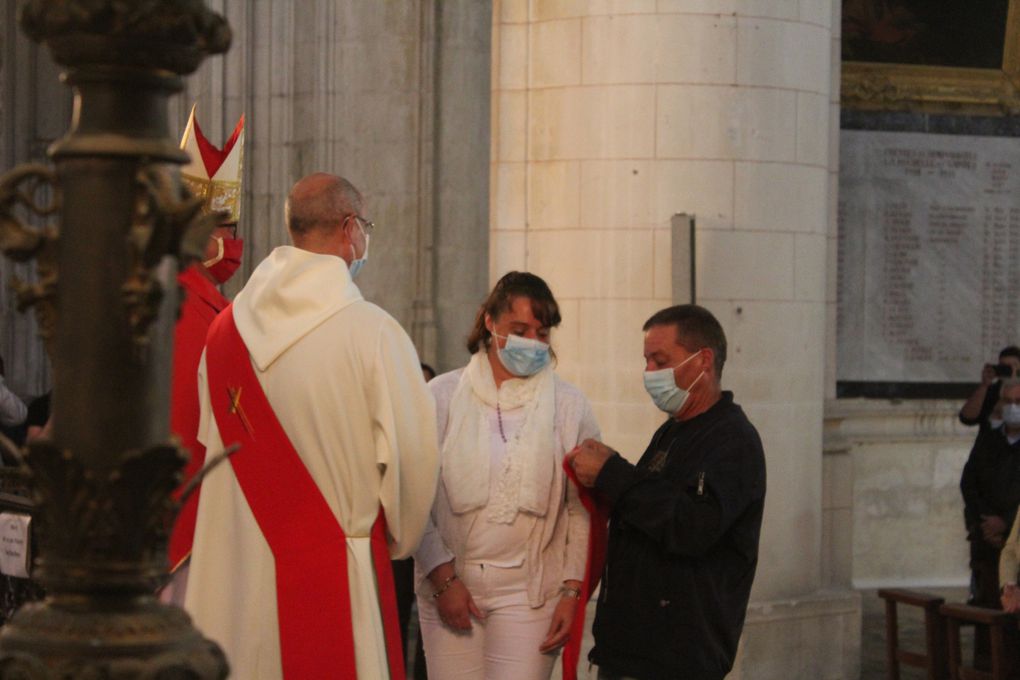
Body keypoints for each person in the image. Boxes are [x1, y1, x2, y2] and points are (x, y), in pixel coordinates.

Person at [184, 173, 440, 680]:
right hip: (333, 578)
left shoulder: (222, 333)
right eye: (365, 226)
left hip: (230, 579)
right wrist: (389, 542)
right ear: (350, 229)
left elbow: (206, 443)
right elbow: (411, 467)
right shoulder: (375, 335)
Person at [415, 271, 600, 680]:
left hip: (531, 594)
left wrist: (572, 592)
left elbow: (579, 510)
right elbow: (414, 497)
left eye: (542, 332)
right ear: (489, 323)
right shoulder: (441, 396)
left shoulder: (569, 406)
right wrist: (443, 580)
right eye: (519, 330)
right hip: (450, 582)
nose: (531, 343)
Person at [568, 304, 766, 680]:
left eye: (660, 361)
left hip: (677, 657)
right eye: (647, 362)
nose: (649, 374)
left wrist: (613, 473)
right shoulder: (673, 431)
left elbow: (692, 526)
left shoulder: (732, 440)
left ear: (703, 360)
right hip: (630, 649)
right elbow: (648, 502)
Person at [164, 105, 245, 603]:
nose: (233, 243)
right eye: (225, 227)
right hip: (184, 513)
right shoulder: (187, 304)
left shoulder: (206, 301)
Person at [962, 378, 1020, 611]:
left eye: (1019, 401)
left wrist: (1005, 522)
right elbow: (969, 482)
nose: (1013, 407)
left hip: (1015, 538)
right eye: (1008, 401)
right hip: (986, 538)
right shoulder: (989, 440)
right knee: (986, 610)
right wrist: (986, 520)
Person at [959, 346, 1020, 432]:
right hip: (989, 442)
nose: (1008, 369)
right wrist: (984, 385)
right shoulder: (990, 391)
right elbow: (967, 418)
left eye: (1014, 365)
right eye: (1003, 366)